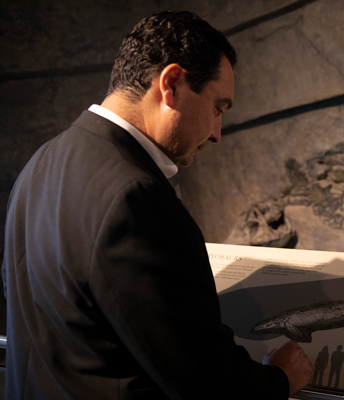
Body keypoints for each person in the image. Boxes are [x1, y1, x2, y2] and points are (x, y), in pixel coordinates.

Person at [1, 11, 313, 399]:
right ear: (172, 84)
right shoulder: (137, 198)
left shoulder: (39, 164)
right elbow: (204, 381)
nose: (217, 134)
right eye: (218, 107)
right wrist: (280, 379)